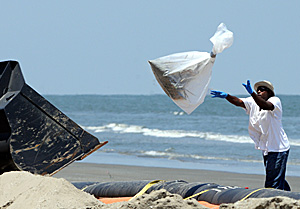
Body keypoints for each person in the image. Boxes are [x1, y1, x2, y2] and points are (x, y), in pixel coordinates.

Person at [210, 80, 291, 191]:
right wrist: (227, 96)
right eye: (257, 90)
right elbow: (239, 102)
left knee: (272, 180)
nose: (258, 91)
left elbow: (265, 105)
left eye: (262, 90)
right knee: (275, 175)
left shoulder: (274, 100)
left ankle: (275, 198)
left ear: (269, 92)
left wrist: (252, 93)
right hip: (267, 147)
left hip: (278, 148)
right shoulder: (253, 102)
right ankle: (289, 197)